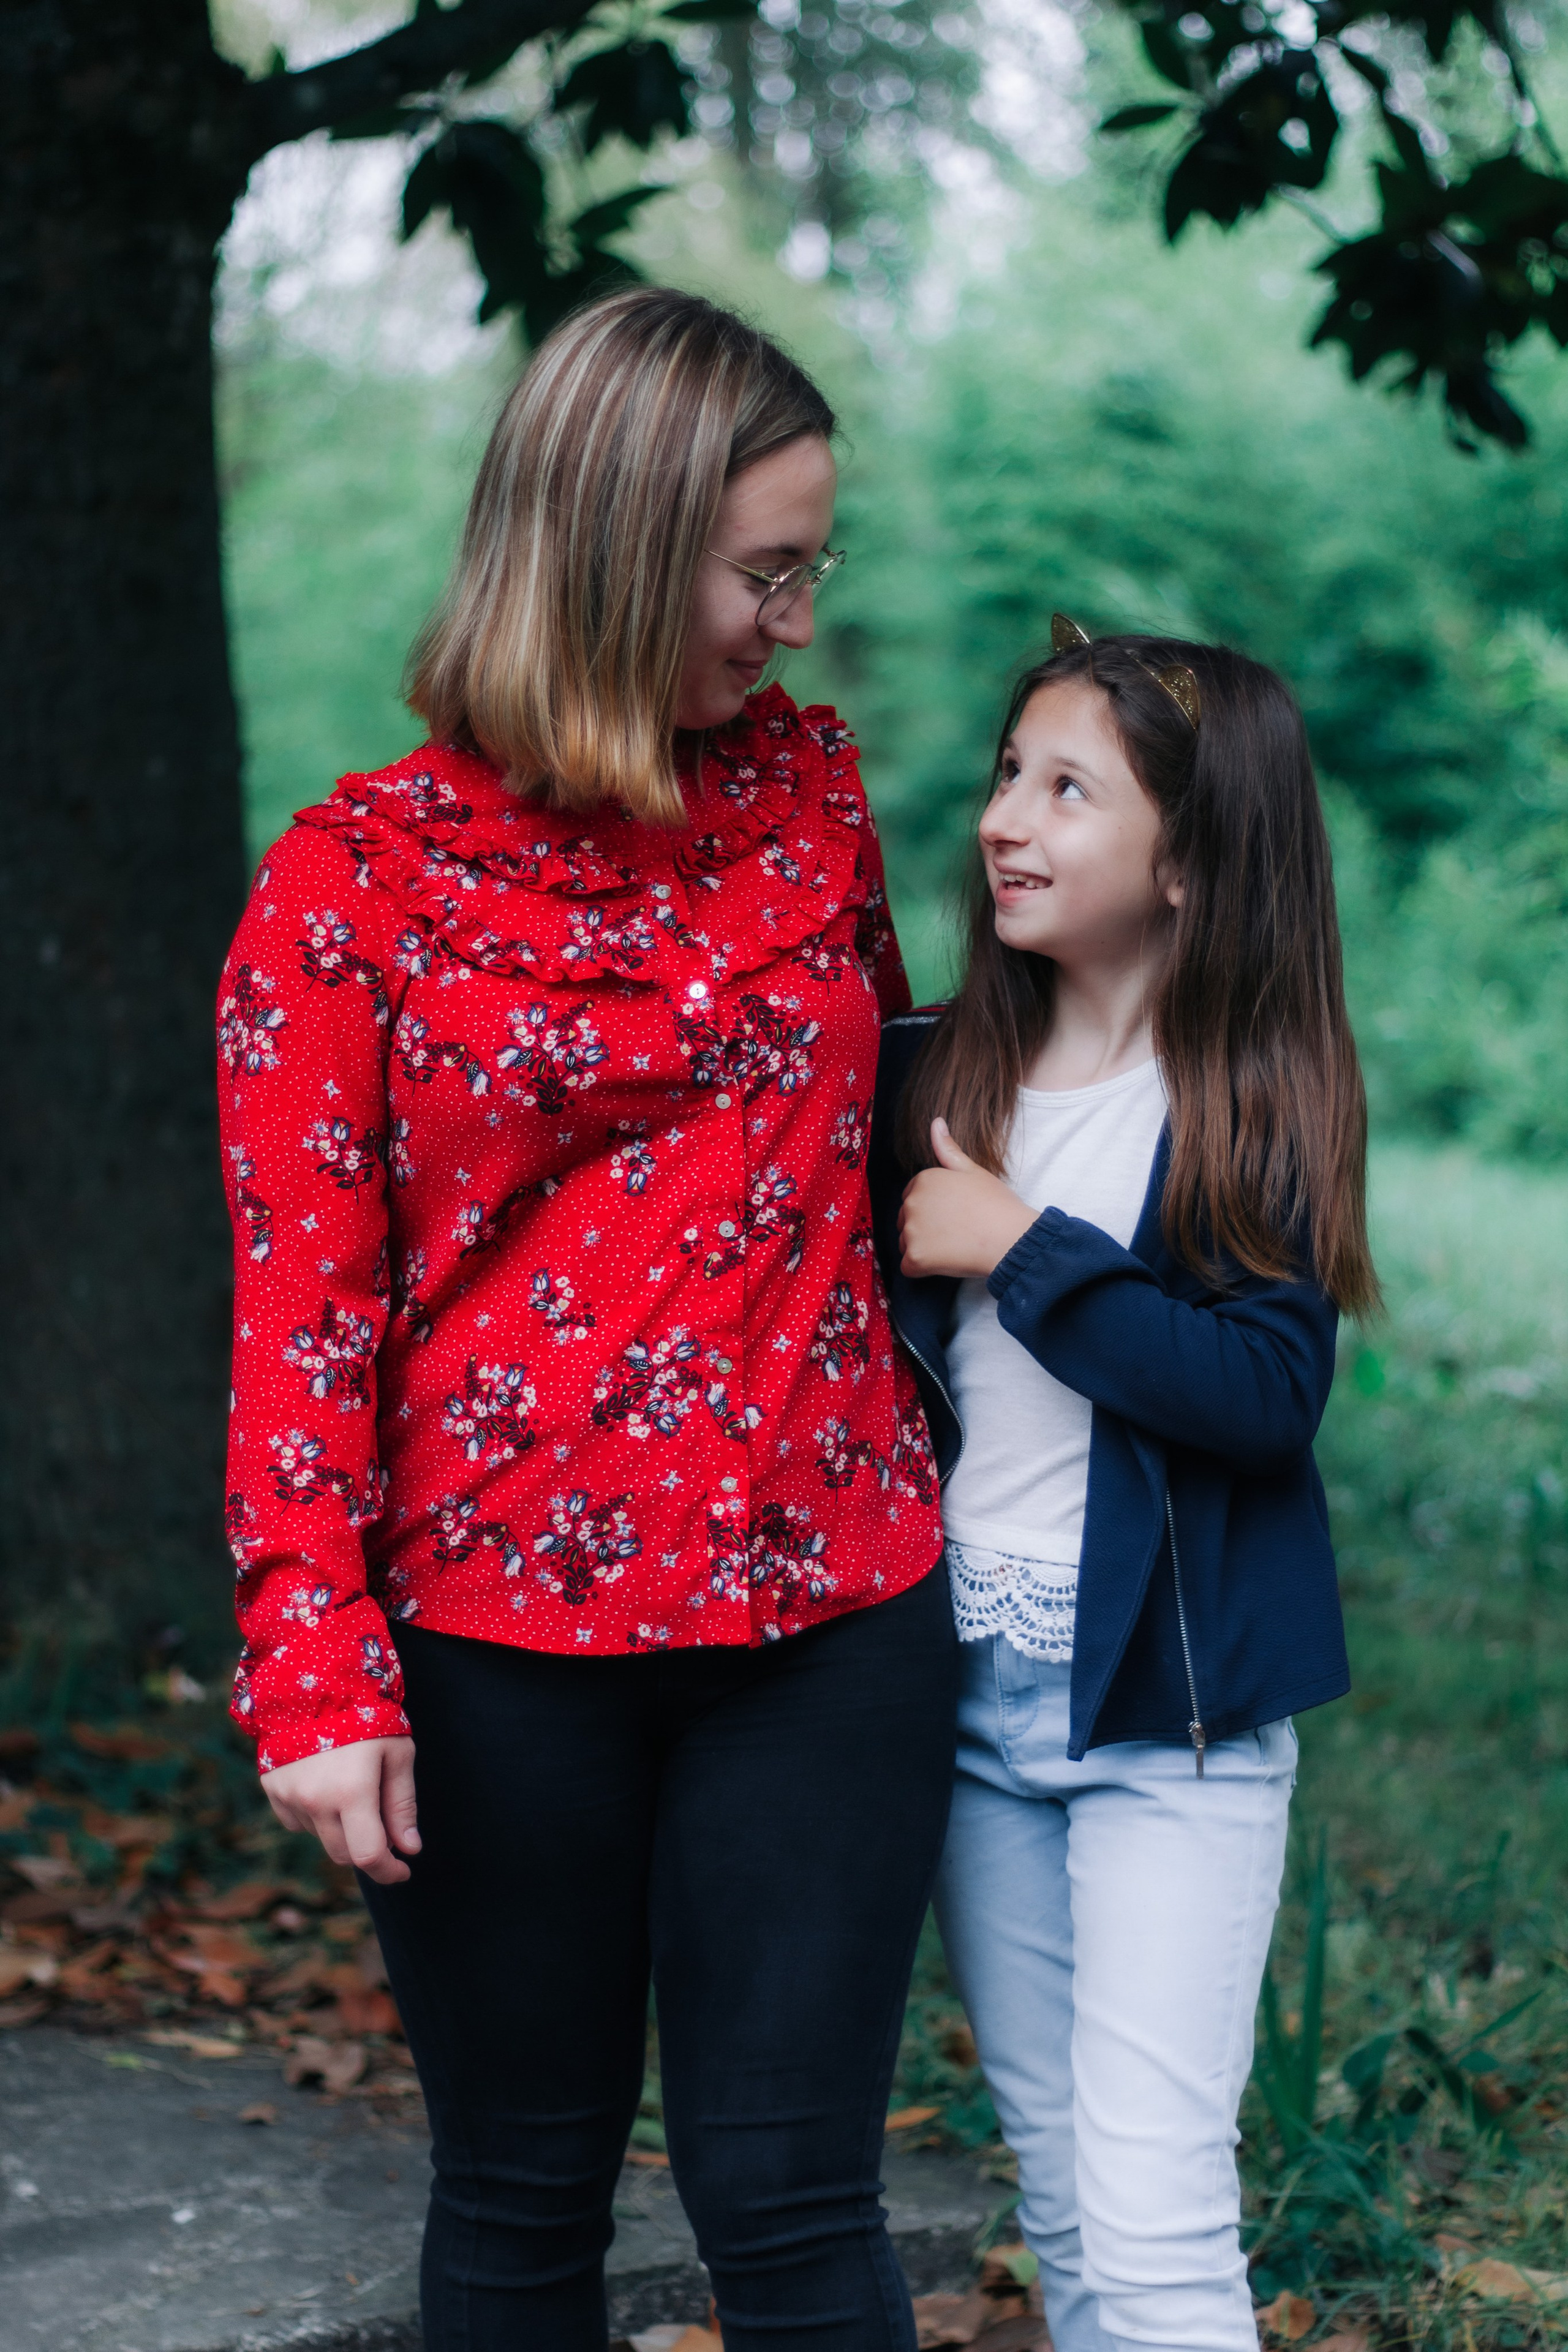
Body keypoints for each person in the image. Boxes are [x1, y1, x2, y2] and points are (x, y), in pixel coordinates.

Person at [217, 287, 956, 2352]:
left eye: (814, 566)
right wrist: (311, 1653)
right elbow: (304, 1296)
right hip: (488, 1646)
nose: (795, 621)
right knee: (526, 2199)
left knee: (801, 2205)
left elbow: (897, 1136)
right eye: (765, 571)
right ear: (623, 549)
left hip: (832, 1607)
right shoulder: (347, 882)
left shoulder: (812, 791)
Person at [868, 617, 1379, 2352]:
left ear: (1192, 861)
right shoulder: (935, 1076)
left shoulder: (1248, 1101)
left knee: (1157, 2215)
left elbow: (1260, 1394)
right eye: (1012, 774)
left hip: (1172, 1722)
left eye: (1070, 788)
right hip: (969, 1709)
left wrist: (1026, 1252)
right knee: (1068, 2196)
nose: (1009, 816)